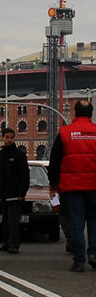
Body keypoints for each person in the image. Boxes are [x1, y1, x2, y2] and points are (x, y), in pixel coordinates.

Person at [48, 99, 96, 272]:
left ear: (75, 113)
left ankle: (79, 261)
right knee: (94, 221)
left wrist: (53, 184)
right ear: (91, 113)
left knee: (77, 224)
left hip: (72, 187)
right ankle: (94, 254)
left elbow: (55, 161)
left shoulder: (65, 133)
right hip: (94, 188)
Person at [0, 128, 29, 253]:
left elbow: (25, 176)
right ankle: (6, 243)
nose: (9, 140)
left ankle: (14, 244)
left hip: (15, 194)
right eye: (7, 137)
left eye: (11, 137)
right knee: (5, 220)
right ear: (2, 138)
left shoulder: (19, 155)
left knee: (13, 220)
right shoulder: (0, 155)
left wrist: (22, 193)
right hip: (4, 192)